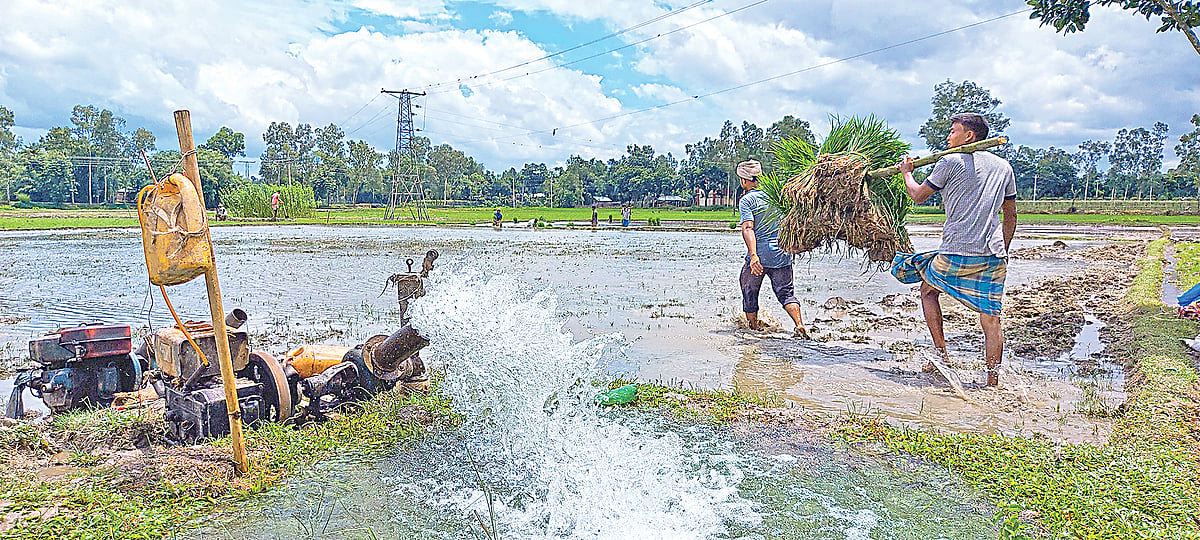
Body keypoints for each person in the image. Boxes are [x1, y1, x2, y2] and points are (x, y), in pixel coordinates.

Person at [892, 112, 1017, 387]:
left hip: (957, 250)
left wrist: (907, 173)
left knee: (926, 289)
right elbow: (1010, 216)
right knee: (991, 317)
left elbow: (917, 195)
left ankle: (941, 354)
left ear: (969, 136)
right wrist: (1003, 249)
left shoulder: (949, 162)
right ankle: (992, 382)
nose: (948, 137)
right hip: (994, 254)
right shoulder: (1004, 167)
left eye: (952, 131)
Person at [737, 159, 809, 339]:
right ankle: (799, 325)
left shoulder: (747, 200)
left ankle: (753, 329)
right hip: (782, 255)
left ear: (745, 180)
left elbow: (748, 228)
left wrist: (753, 256)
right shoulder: (778, 196)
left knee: (749, 291)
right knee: (786, 294)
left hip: (759, 257)